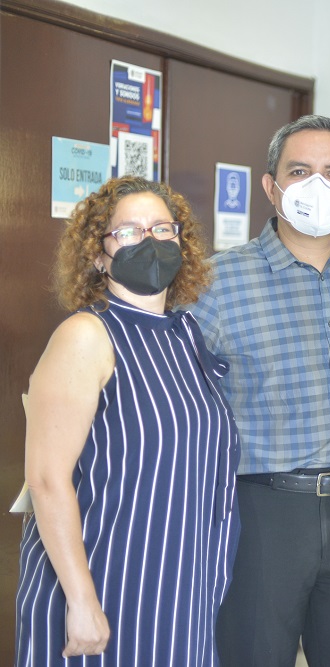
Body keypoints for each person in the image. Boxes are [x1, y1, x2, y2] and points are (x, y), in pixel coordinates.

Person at [185, 115, 330, 667]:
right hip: (262, 509)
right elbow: (177, 397)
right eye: (300, 171)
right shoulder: (217, 281)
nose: (317, 186)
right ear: (271, 185)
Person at [15, 176, 240, 665]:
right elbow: (47, 480)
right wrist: (82, 601)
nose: (150, 241)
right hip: (101, 584)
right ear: (98, 255)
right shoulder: (86, 335)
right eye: (129, 232)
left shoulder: (184, 335)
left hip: (176, 587)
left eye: (162, 228)